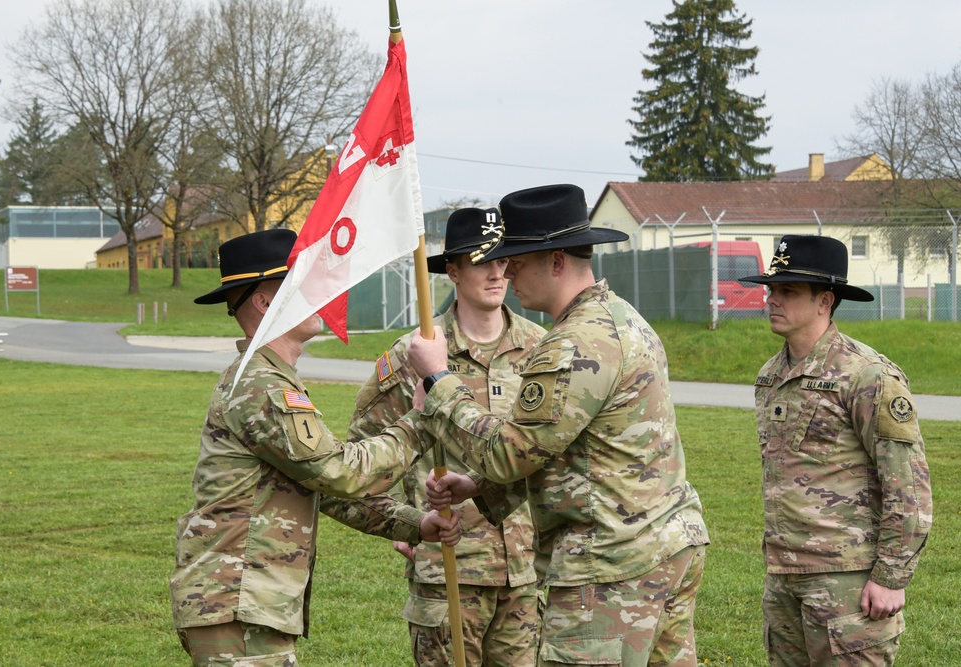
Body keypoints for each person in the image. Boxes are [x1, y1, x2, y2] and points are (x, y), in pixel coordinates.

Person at [408, 184, 711, 667]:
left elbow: (511, 451)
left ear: (555, 261)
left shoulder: (573, 344)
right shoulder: (623, 319)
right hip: (662, 546)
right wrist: (479, 486)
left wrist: (440, 385)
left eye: (518, 260)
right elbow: (567, 448)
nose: (507, 272)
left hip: (611, 562)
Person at [169, 228, 460, 667]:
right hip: (235, 600)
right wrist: (421, 419)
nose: (319, 293)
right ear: (265, 303)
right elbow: (339, 472)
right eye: (301, 284)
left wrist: (416, 525)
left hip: (244, 601)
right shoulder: (262, 386)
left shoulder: (271, 378)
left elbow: (322, 490)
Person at [343, 207, 545, 667]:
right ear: (452, 270)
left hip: (525, 571)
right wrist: (404, 519)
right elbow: (362, 454)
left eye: (503, 259)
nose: (496, 272)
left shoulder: (541, 349)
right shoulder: (416, 354)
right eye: (481, 260)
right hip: (448, 567)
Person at [738, 235, 932, 666]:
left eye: (788, 291)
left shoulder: (866, 376)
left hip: (848, 580)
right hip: (785, 576)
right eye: (772, 289)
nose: (773, 299)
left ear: (825, 300)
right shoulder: (771, 375)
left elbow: (908, 487)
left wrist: (891, 577)